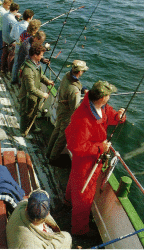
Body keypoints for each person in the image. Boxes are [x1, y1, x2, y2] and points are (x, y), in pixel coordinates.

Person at [64, 80, 126, 236]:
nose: (110, 97)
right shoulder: (82, 118)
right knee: (84, 196)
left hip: (94, 157)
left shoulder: (101, 107)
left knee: (75, 182)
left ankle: (68, 200)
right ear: (103, 97)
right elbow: (76, 147)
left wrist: (120, 116)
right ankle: (79, 230)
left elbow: (111, 117)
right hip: (85, 160)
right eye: (109, 94)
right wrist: (100, 148)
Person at [46, 60, 89, 166]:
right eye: (83, 71)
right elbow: (74, 107)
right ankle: (53, 158)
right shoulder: (74, 90)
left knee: (56, 131)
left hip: (60, 109)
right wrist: (86, 102)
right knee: (62, 137)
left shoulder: (67, 75)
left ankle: (48, 152)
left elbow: (75, 83)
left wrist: (83, 89)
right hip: (67, 114)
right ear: (79, 72)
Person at [6, 189, 72, 249]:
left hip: (16, 238)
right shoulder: (34, 246)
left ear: (26, 208)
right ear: (48, 214)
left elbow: (27, 200)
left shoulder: (21, 206)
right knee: (67, 237)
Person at [18, 43, 54, 139]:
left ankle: (32, 127)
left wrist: (47, 81)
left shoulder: (36, 65)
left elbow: (40, 75)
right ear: (35, 55)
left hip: (34, 96)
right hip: (28, 96)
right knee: (27, 114)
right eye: (41, 55)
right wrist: (43, 94)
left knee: (33, 112)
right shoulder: (28, 70)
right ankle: (23, 131)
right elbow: (30, 89)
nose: (42, 57)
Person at [10, 9, 34, 85]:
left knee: (16, 63)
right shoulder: (28, 27)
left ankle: (13, 79)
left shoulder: (17, 24)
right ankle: (20, 82)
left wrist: (16, 40)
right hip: (24, 48)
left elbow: (11, 35)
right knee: (23, 65)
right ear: (30, 17)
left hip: (17, 45)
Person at [1, 3, 21, 74]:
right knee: (11, 56)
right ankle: (10, 71)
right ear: (16, 10)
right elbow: (15, 31)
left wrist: (15, 16)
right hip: (11, 41)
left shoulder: (5, 15)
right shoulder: (13, 20)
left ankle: (2, 68)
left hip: (4, 37)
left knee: (4, 53)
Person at [0, 0, 12, 68]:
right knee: (2, 47)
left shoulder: (0, 8)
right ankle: (0, 62)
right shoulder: (3, 12)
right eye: (8, 5)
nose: (9, 7)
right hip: (2, 31)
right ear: (4, 4)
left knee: (0, 46)